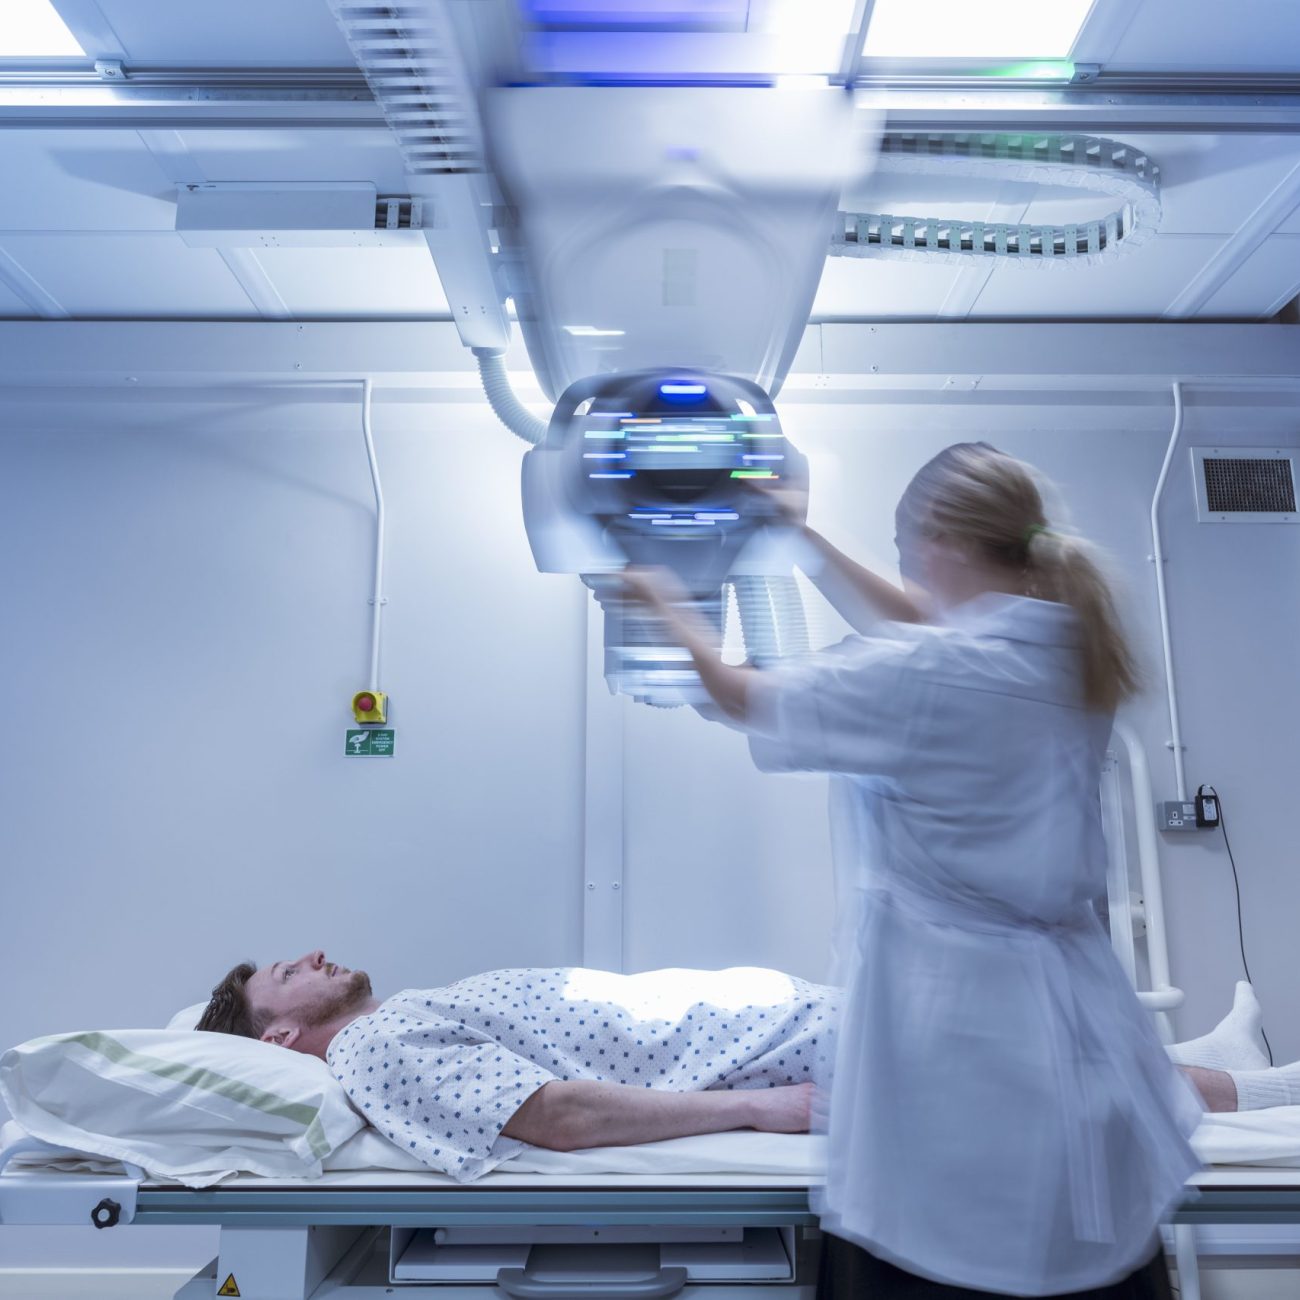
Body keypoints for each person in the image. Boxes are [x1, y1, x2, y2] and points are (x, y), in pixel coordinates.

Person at [623, 443, 1203, 1299]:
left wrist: (656, 600)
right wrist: (804, 536)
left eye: (905, 553)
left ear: (934, 540)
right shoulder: (1068, 647)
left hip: (963, 1056)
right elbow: (931, 633)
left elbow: (740, 695)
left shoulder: (934, 674)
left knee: (953, 1259)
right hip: (1080, 1036)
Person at [196, 952, 833, 1180]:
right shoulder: (372, 1051)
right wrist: (755, 1107)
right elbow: (558, 1116)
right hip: (784, 1048)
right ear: (280, 1036)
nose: (313, 954)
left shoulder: (395, 1019)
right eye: (289, 973)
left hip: (778, 1020)